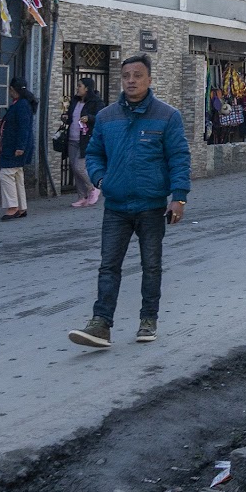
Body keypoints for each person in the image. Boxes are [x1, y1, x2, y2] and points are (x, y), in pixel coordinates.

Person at [68, 54, 191, 349]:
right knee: (108, 265)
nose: (131, 81)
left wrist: (179, 198)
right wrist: (100, 180)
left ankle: (148, 319)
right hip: (117, 207)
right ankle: (100, 324)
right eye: (126, 76)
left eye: (137, 75)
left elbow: (179, 158)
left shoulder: (167, 116)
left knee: (151, 265)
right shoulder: (108, 117)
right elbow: (95, 153)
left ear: (149, 79)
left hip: (151, 206)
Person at [0, 77, 37, 220]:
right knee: (17, 175)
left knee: (6, 174)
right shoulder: (21, 104)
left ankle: (13, 207)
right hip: (16, 146)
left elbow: (24, 128)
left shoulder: (21, 105)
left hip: (15, 147)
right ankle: (21, 207)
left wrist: (20, 147)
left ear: (13, 90)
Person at [68, 77, 104, 207]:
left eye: (79, 86)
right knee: (74, 168)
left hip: (86, 139)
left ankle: (93, 189)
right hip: (72, 138)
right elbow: (71, 116)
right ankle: (81, 196)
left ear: (87, 88)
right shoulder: (75, 101)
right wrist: (66, 117)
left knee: (80, 166)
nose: (77, 88)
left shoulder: (96, 102)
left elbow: (100, 118)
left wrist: (89, 118)